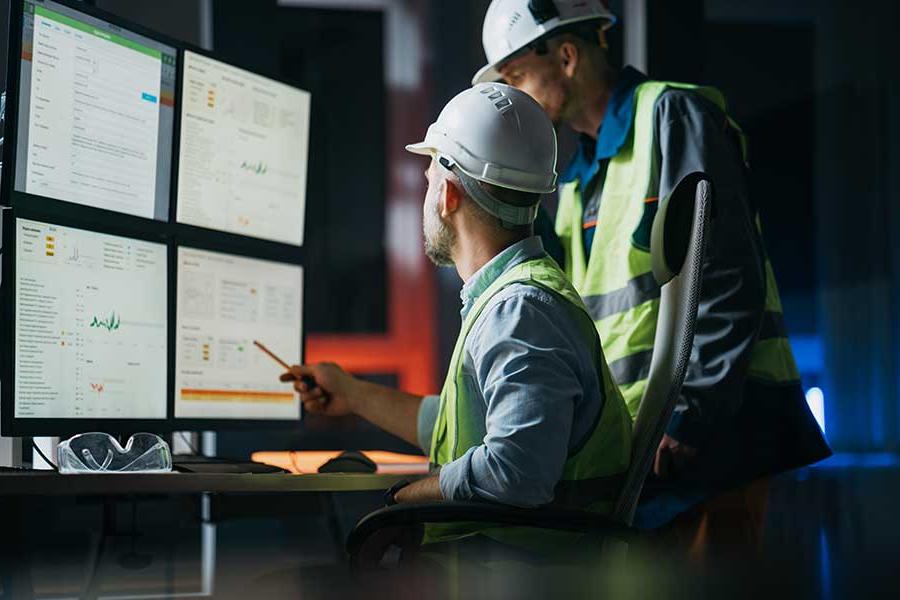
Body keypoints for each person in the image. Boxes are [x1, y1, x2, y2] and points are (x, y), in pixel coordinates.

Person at [472, 0, 831, 554]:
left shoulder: (673, 116)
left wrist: (692, 413)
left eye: (517, 75)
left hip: (716, 438)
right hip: (653, 448)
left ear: (565, 56)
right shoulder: (575, 177)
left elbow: (726, 274)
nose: (514, 94)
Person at [283, 83, 631, 554]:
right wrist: (352, 393)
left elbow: (516, 472)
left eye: (428, 180)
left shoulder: (519, 311)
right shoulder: (513, 300)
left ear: (447, 195)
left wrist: (405, 500)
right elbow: (462, 429)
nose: (425, 194)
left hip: (519, 576)